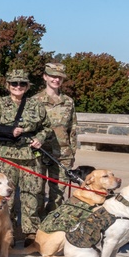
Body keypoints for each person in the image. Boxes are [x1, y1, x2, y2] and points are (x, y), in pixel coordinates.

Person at [0, 69, 51, 245]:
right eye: (14, 83)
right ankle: (9, 232)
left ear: (27, 86)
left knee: (32, 195)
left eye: (22, 83)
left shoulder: (36, 106)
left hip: (30, 157)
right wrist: (9, 131)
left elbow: (46, 127)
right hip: (6, 157)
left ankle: (30, 233)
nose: (18, 87)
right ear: (8, 85)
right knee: (6, 196)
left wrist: (40, 138)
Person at [34, 62, 77, 211]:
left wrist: (72, 153)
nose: (56, 80)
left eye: (59, 77)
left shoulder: (68, 102)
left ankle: (51, 222)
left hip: (62, 153)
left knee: (58, 192)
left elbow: (72, 129)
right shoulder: (35, 101)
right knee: (37, 190)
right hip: (40, 152)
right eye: (52, 76)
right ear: (45, 77)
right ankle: (37, 225)